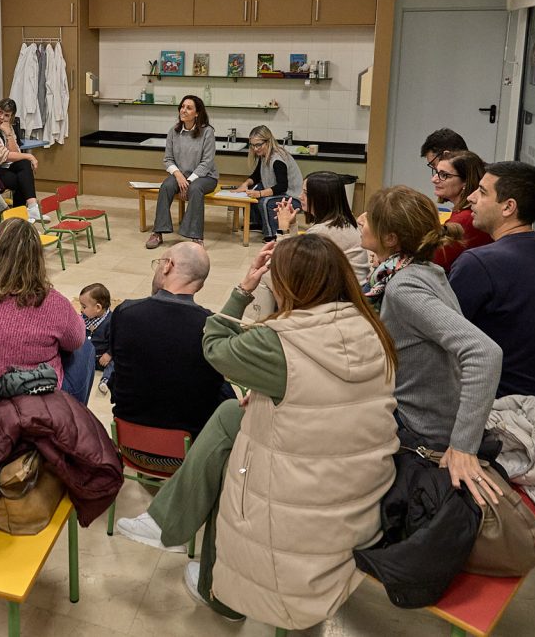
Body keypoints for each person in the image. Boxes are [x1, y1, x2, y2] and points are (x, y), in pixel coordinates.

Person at [118, 234, 399, 629]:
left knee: (233, 469)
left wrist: (243, 289)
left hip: (303, 496)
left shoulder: (279, 343)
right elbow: (326, 391)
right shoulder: (370, 326)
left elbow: (215, 345)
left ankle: (216, 588)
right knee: (231, 412)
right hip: (362, 488)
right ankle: (168, 526)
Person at [360, 185, 503, 503]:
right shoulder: (423, 270)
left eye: (370, 218)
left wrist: (464, 446)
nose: (361, 220)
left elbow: (484, 352)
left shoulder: (403, 286)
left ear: (390, 239)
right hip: (431, 414)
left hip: (418, 427)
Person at [449, 161, 535, 397]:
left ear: (508, 207)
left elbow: (440, 338)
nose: (471, 198)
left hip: (487, 401)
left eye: (482, 192)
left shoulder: (478, 263)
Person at [0, 217, 92, 404]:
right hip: (26, 403)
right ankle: (70, 414)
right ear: (37, 258)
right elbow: (75, 341)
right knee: (86, 347)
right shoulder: (53, 302)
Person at [109, 242, 227, 437]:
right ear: (201, 285)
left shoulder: (125, 312)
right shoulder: (210, 325)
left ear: (167, 265)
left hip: (130, 437)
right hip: (191, 443)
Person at [145, 95, 218, 249]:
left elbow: (207, 162)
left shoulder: (207, 132)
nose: (183, 110)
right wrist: (178, 175)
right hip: (181, 176)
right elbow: (168, 159)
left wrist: (188, 182)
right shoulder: (173, 131)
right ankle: (158, 232)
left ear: (197, 113)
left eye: (188, 108)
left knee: (195, 189)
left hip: (205, 177)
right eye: (182, 107)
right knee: (166, 186)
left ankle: (196, 236)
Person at [276, 170, 370, 283]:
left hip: (345, 291)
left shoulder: (323, 231)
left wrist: (283, 226)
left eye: (306, 193)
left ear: (321, 197)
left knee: (268, 275)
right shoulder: (341, 221)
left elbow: (286, 263)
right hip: (348, 287)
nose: (300, 196)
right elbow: (297, 252)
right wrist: (292, 224)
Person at [234, 125, 303, 241]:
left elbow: (282, 186)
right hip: (280, 191)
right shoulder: (264, 154)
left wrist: (260, 194)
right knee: (252, 190)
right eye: (252, 145)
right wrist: (245, 184)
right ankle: (258, 223)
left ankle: (272, 234)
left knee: (266, 202)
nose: (255, 149)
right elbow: (256, 175)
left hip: (292, 197)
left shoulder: (277, 159)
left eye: (258, 145)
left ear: (268, 141)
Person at [430, 150, 493, 271]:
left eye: (444, 175)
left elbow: (433, 259)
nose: (434, 179)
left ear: (466, 181)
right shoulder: (464, 213)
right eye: (437, 173)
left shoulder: (466, 219)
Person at [78, 282, 112, 393]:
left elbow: (117, 341)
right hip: (86, 355)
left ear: (98, 308)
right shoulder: (84, 317)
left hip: (102, 358)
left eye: (84, 307)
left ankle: (106, 380)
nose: (81, 310)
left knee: (117, 362)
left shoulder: (111, 322)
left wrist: (109, 354)